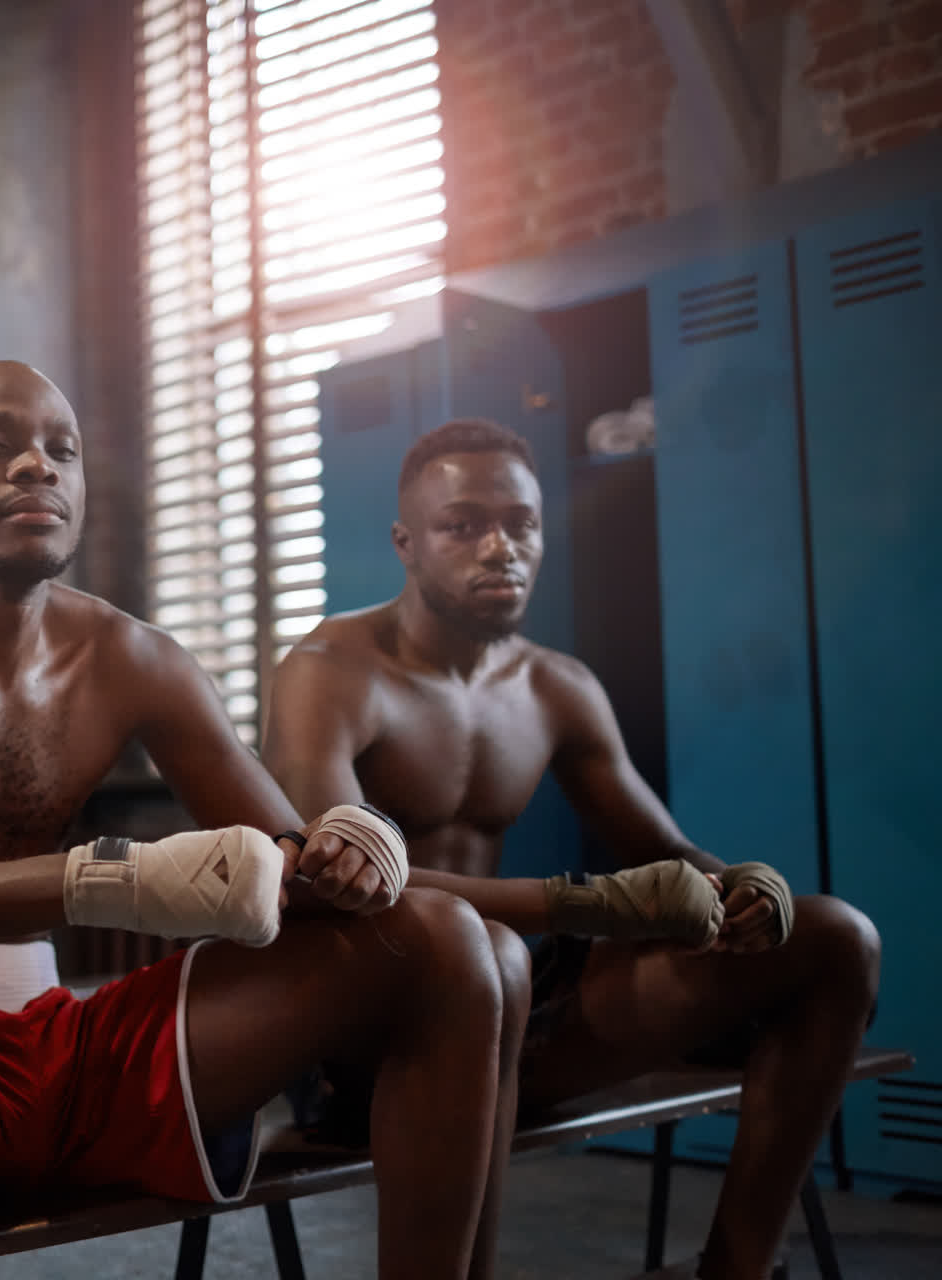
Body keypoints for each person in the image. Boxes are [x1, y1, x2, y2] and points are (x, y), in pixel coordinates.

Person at [0, 361, 513, 1280]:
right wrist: (105, 879)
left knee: (443, 939)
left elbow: (300, 873)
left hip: (66, 1047)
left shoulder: (132, 655)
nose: (36, 466)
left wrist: (358, 845)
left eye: (61, 451)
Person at [261, 417, 883, 1280]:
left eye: (520, 524)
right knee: (491, 958)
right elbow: (343, 882)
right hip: (369, 1032)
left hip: (524, 1008)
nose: (499, 549)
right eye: (463, 525)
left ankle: (739, 1267)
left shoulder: (555, 685)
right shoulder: (330, 672)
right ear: (407, 543)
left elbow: (662, 848)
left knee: (837, 938)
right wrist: (586, 903)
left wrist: (741, 886)